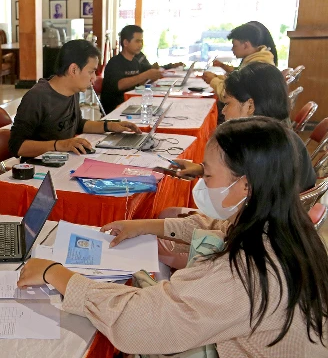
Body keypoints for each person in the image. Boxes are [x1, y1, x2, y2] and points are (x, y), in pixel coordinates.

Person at [18, 117, 328, 356]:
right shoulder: (281, 226)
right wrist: (144, 226)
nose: (202, 183)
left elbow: (141, 323)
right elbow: (216, 228)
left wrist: (56, 273)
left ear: (245, 186)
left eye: (207, 175)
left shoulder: (247, 271)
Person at [176, 62, 316, 193]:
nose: (223, 111)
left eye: (227, 103)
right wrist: (202, 170)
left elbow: (235, 199)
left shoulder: (260, 148)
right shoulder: (275, 135)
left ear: (249, 106)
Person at [9, 39, 141, 158]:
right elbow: (17, 146)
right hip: (40, 170)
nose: (94, 78)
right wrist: (59, 145)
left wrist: (111, 126)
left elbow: (76, 124)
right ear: (73, 70)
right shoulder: (37, 97)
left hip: (63, 161)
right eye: (91, 71)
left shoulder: (73, 91)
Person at [100, 25, 184, 114]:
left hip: (133, 105)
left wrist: (151, 78)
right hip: (116, 110)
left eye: (141, 41)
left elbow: (139, 83)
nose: (141, 44)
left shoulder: (135, 62)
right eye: (137, 41)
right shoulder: (114, 63)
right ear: (125, 43)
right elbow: (119, 85)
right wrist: (145, 75)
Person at [203, 23, 275, 101]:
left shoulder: (257, 66)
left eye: (234, 45)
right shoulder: (255, 59)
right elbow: (237, 81)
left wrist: (213, 80)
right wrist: (217, 77)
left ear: (245, 45)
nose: (232, 49)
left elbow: (231, 96)